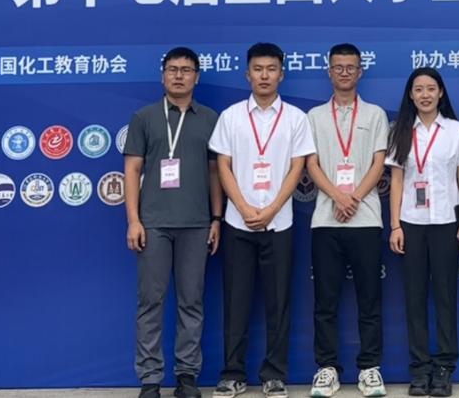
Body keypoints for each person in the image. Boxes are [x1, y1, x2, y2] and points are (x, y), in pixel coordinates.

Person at [209, 43, 316, 398]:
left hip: (279, 222)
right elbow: (222, 165)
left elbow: (297, 167)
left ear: (281, 74)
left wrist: (271, 209)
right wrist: (241, 206)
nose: (264, 75)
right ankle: (232, 373)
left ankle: (274, 374)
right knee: (236, 301)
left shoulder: (296, 118)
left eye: (271, 69)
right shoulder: (231, 116)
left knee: (278, 302)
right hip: (237, 223)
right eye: (258, 69)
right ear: (247, 74)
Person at [124, 46, 223, 398]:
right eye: (173, 69)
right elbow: (132, 170)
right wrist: (133, 220)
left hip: (196, 224)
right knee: (150, 302)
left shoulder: (210, 118)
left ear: (197, 76)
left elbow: (215, 172)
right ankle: (150, 379)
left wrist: (216, 218)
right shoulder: (144, 117)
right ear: (163, 75)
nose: (179, 76)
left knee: (191, 302)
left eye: (186, 70)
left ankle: (187, 377)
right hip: (153, 224)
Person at [305, 43, 390, 398]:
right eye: (338, 67)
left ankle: (369, 368)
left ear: (360, 71)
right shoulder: (313, 116)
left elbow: (379, 163)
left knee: (370, 299)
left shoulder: (375, 114)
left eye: (350, 67)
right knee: (325, 301)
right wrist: (338, 197)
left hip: (365, 218)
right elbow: (310, 164)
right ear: (329, 71)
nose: (344, 72)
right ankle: (327, 368)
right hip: (326, 220)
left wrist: (352, 197)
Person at [386, 67, 459, 397]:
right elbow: (397, 181)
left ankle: (444, 368)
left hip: (446, 222)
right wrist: (395, 225)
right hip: (411, 222)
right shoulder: (400, 131)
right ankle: (420, 368)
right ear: (410, 95)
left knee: (445, 296)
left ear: (440, 93)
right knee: (414, 299)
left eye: (430, 88)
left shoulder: (455, 130)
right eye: (418, 89)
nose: (425, 94)